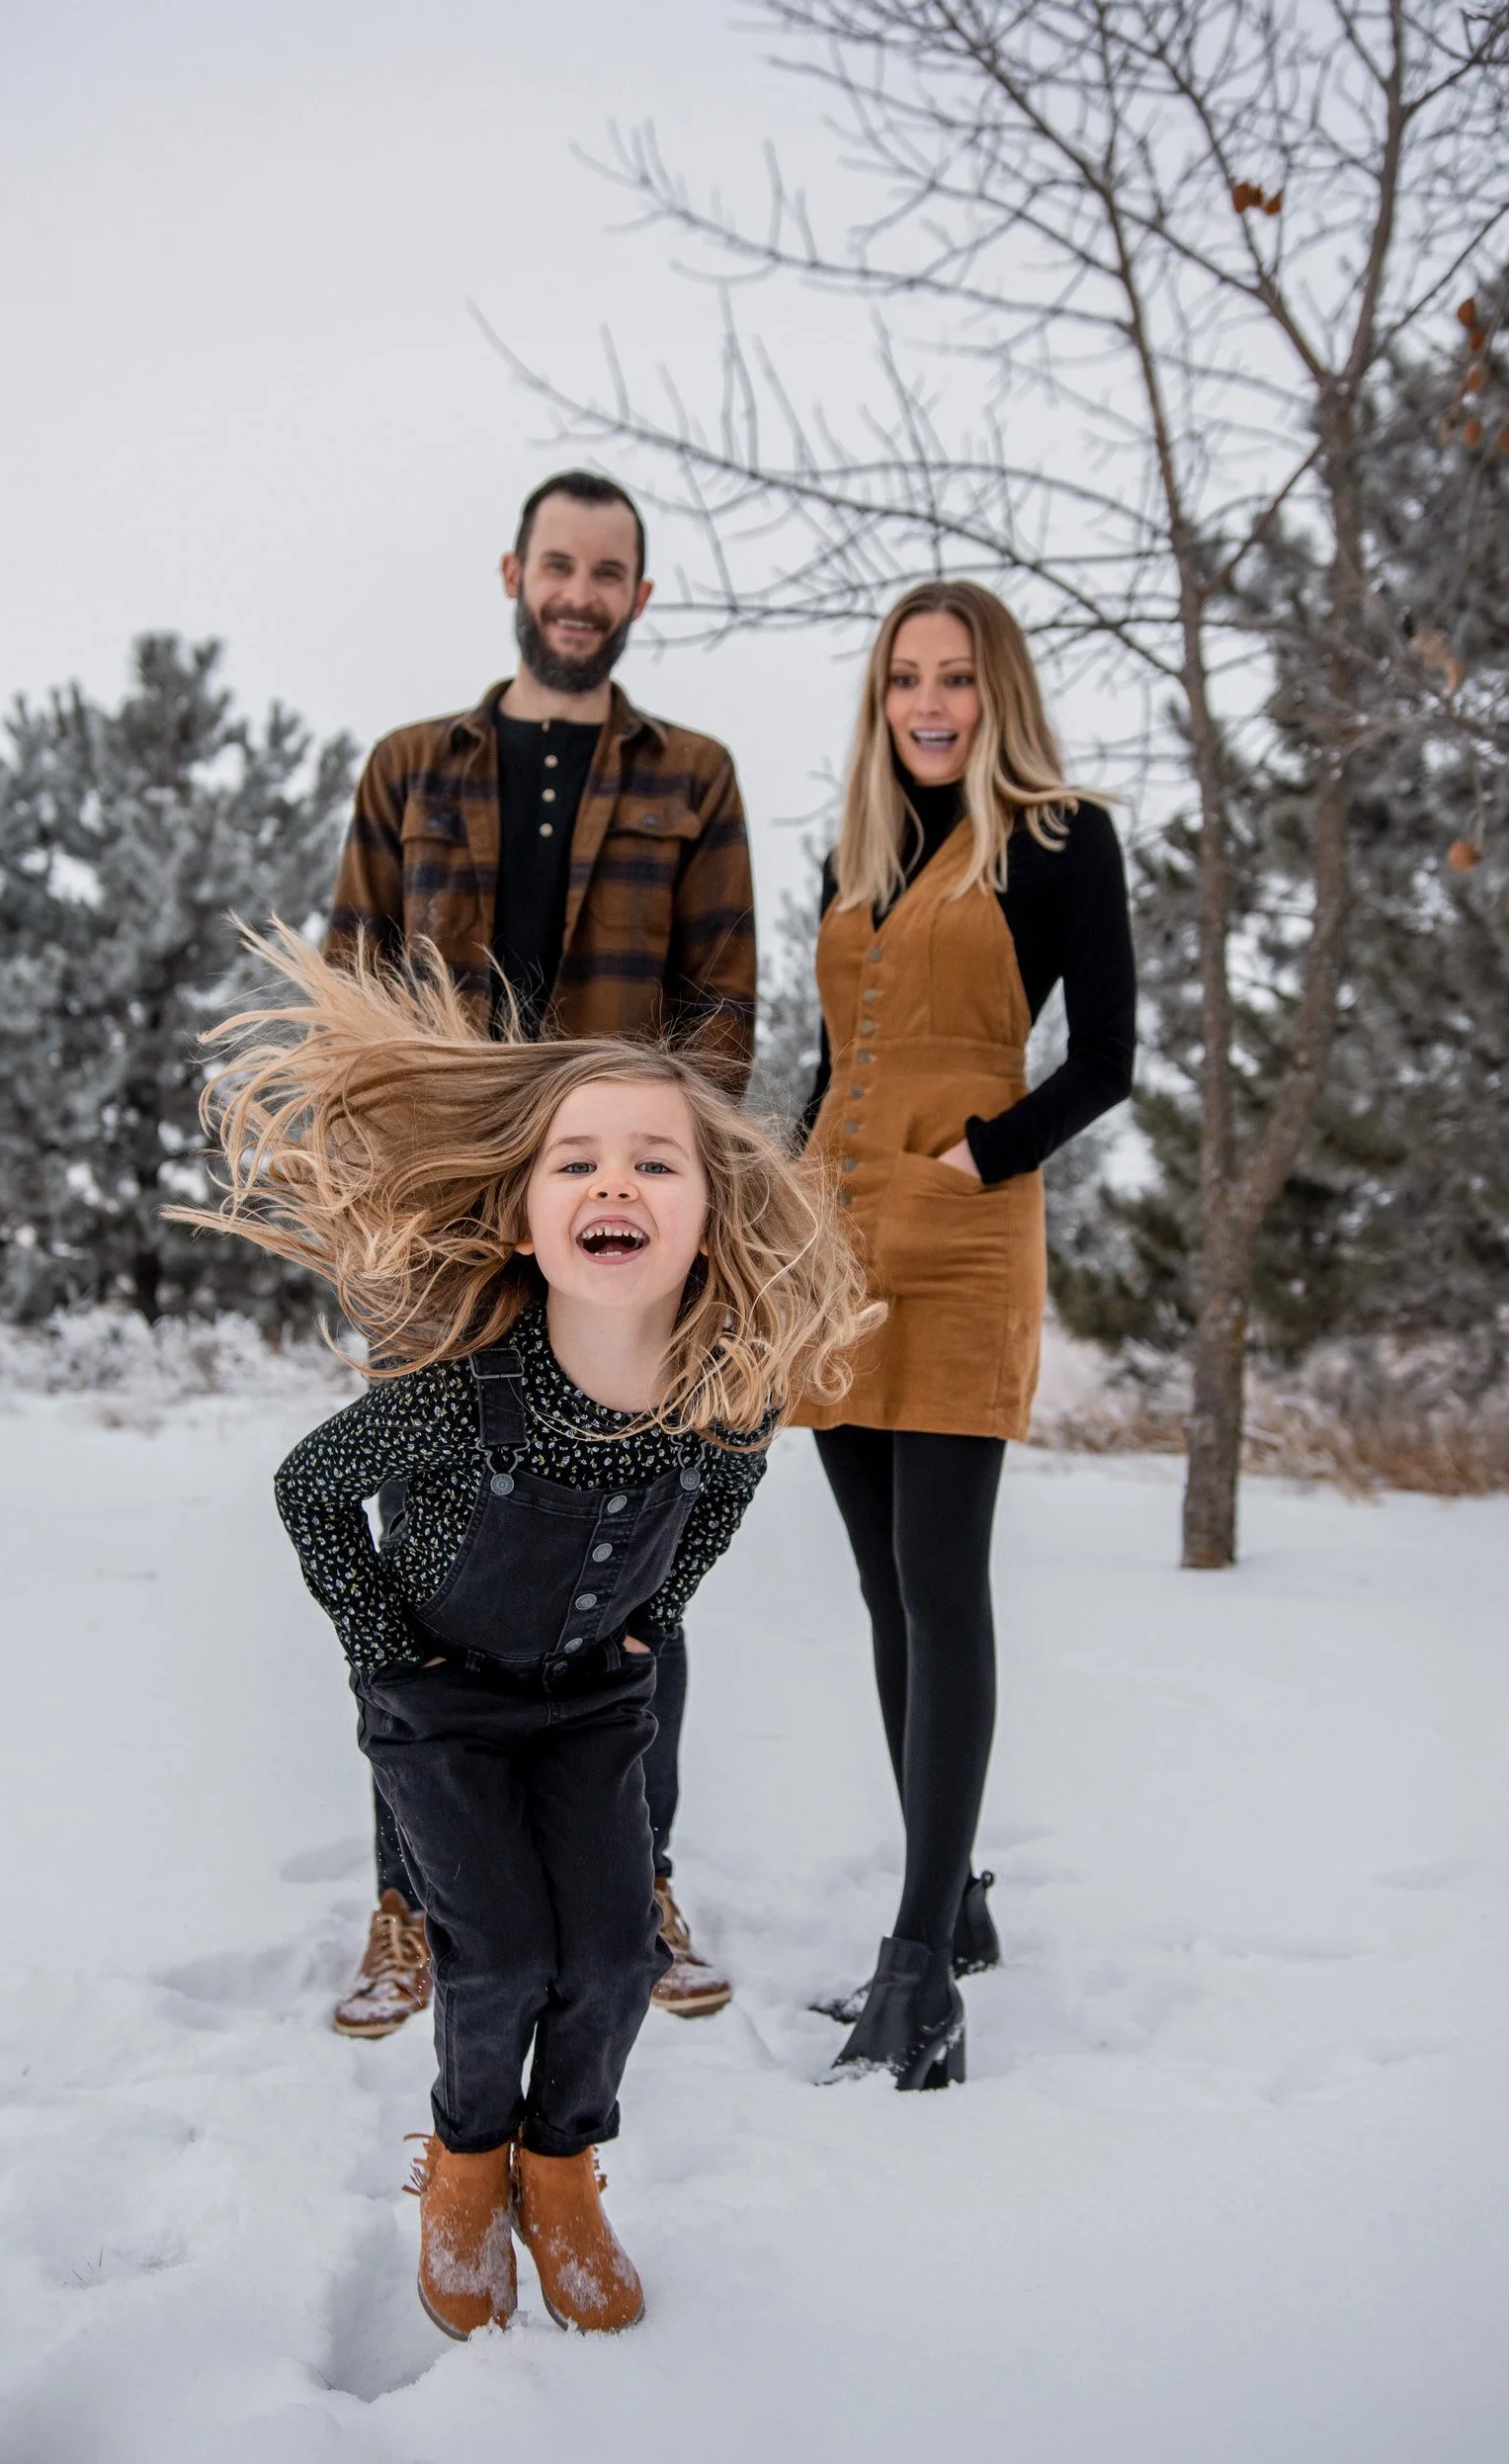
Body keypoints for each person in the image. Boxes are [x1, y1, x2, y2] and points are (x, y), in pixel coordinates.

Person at [185, 930, 868, 2336]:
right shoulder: (456, 1393)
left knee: (613, 1957)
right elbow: (309, 1488)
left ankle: (561, 2166)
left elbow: (724, 1500)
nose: (615, 1178)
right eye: (578, 1160)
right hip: (439, 1707)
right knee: (493, 1955)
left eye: (654, 1159)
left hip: (592, 1704)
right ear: (521, 1215)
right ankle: (466, 2158)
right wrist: (383, 1650)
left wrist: (651, 1622)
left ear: (708, 1214)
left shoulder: (726, 1396)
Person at [321, 468, 756, 2042]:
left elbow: (719, 1017)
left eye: (609, 571)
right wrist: (379, 1196)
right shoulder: (408, 770)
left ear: (641, 593)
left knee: (638, 1548)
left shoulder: (694, 776)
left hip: (622, 1226)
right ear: (514, 569)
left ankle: (633, 1868)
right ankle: (409, 1904)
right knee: (423, 1556)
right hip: (442, 1238)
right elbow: (346, 1007)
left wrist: (661, 1193)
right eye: (557, 564)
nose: (578, 591)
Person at [795, 580, 1136, 2091]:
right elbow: (828, 1062)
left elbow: (1108, 1058)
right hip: (834, 1247)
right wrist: (777, 1219)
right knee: (881, 1590)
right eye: (902, 680)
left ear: (997, 690)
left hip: (959, 1240)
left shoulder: (1062, 837)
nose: (927, 704)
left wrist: (977, 1160)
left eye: (954, 679)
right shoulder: (854, 851)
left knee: (942, 1585)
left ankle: (919, 1968)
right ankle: (961, 1901)